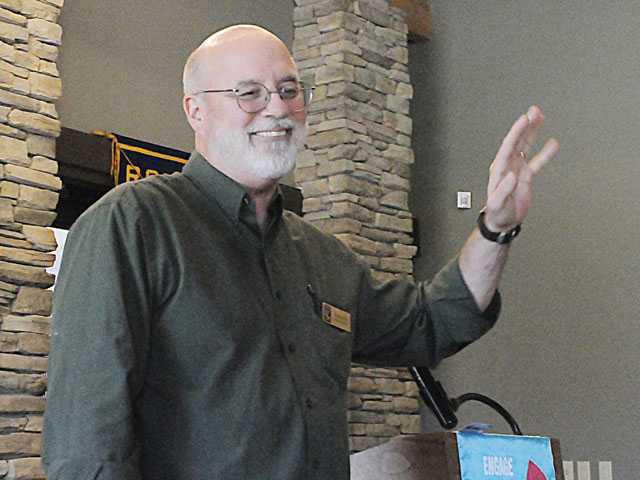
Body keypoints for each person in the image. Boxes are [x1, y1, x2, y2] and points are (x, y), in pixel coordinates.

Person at [42, 24, 559, 480]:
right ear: (195, 110)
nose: (277, 108)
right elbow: (87, 447)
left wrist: (495, 227)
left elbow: (431, 322)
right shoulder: (131, 226)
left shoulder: (321, 257)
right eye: (249, 93)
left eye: (289, 90)